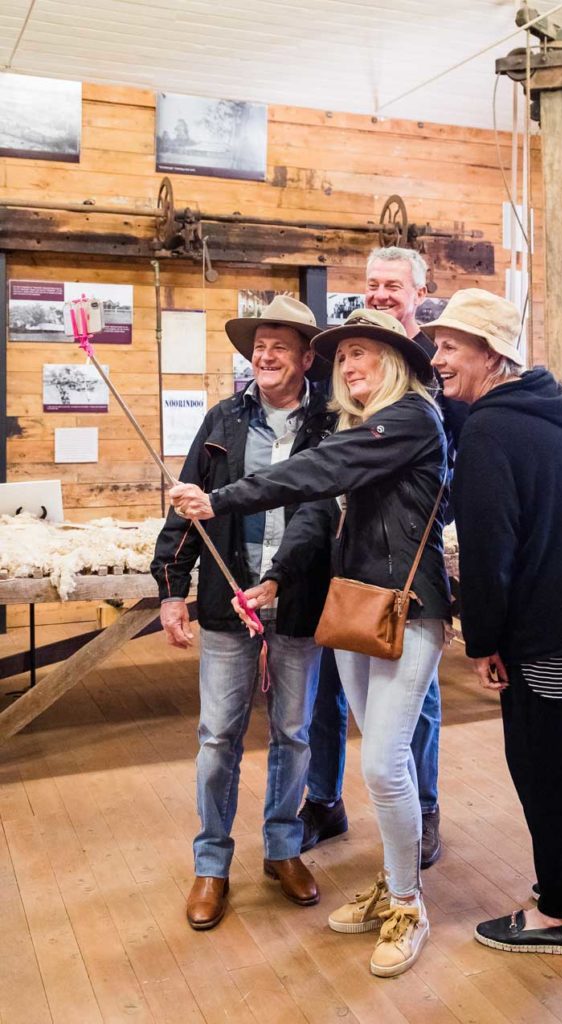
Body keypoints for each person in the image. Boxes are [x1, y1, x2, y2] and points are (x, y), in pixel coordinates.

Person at [170, 307, 452, 978]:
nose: (351, 367)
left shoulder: (411, 419)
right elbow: (320, 508)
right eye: (344, 357)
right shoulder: (358, 426)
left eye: (365, 355)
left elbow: (320, 471)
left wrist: (224, 498)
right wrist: (274, 578)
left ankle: (408, 903)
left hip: (407, 611)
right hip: (351, 606)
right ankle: (391, 880)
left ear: (399, 364)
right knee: (374, 766)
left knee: (384, 765)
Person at [426, 288, 562, 955]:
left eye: (449, 346)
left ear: (490, 353)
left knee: (544, 772)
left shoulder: (491, 427)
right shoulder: (551, 404)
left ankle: (556, 914)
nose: (436, 358)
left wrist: (482, 642)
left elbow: (490, 549)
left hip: (554, 634)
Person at [151, 296, 335, 930]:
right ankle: (212, 864)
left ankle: (283, 848)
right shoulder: (224, 421)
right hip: (228, 607)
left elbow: (323, 510)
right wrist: (171, 589)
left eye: (280, 344)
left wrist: (283, 579)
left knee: (294, 732)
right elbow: (187, 509)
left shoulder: (329, 426)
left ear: (308, 357)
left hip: (300, 600)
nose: (265, 354)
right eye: (259, 344)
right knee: (217, 737)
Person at [300, 246, 468, 869]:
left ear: (419, 292)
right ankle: (327, 801)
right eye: (372, 284)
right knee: (336, 696)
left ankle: (421, 812)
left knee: (411, 708)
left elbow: (456, 467)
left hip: (410, 564)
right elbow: (331, 460)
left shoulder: (433, 375)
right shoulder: (356, 367)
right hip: (351, 564)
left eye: (392, 285)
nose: (380, 293)